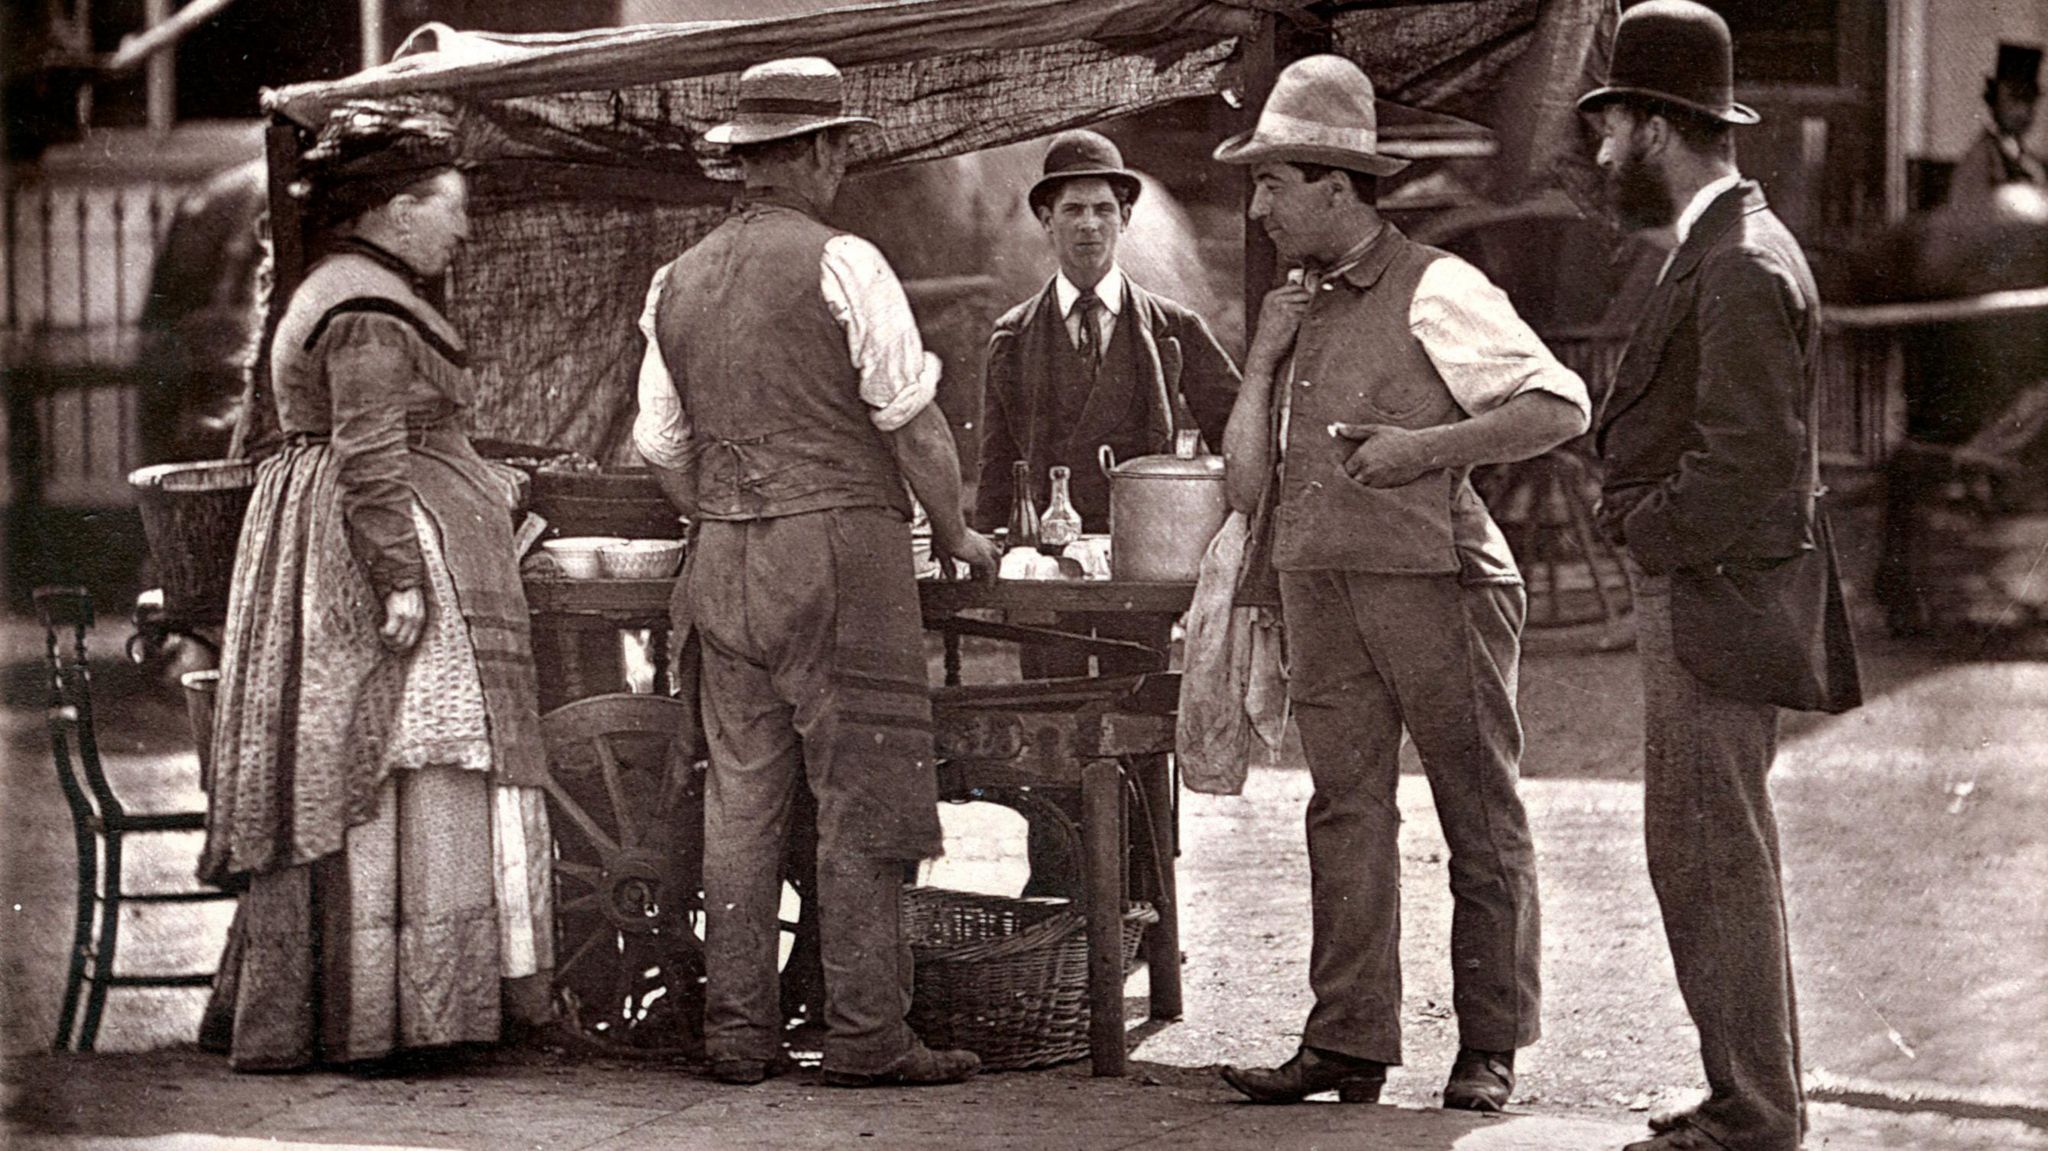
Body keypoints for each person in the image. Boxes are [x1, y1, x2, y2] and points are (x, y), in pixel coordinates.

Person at [1211, 55, 1589, 1111]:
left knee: (1477, 810)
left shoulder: (1440, 284)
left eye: (1271, 183)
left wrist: (1424, 448)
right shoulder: (1289, 306)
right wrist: (1259, 361)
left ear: (1335, 185)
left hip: (1437, 582)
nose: (1256, 206)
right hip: (1319, 583)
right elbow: (1246, 485)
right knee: (1342, 810)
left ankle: (1489, 1044)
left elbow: (1559, 407)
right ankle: (1345, 1039)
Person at [633, 56, 1000, 1089]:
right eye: (836, 145)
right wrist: (959, 531)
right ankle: (867, 1035)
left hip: (721, 561)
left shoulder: (677, 280)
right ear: (811, 153)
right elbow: (913, 424)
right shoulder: (846, 262)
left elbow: (660, 445)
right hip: (835, 561)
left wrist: (725, 507)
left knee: (739, 804)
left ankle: (736, 1036)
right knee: (861, 800)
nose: (842, 161)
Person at [198, 100, 556, 1071]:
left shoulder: (348, 284)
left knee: (383, 759)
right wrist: (400, 579)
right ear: (398, 208)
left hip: (339, 535)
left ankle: (388, 1007)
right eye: (448, 207)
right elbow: (368, 455)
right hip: (363, 551)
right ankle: (397, 1016)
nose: (462, 227)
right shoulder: (364, 304)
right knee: (403, 753)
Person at [1578, 4, 1863, 1148]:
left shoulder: (1737, 262)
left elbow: (1741, 467)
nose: (1598, 157)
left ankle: (1752, 1109)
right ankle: (1745, 1090)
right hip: (1715, 592)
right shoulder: (1727, 244)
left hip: (1709, 596)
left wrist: (1640, 527)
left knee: (1707, 850)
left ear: (1653, 127)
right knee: (1703, 847)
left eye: (1608, 131)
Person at [974, 128, 1240, 895]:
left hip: (1138, 573)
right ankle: (1058, 895)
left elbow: (1236, 431)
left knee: (1136, 722)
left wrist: (1213, 527)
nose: (1087, 225)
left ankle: (1143, 897)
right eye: (1071, 210)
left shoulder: (1172, 331)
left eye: (1102, 208)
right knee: (1051, 727)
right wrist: (994, 560)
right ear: (1046, 223)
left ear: (1124, 220)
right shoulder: (1012, 339)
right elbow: (994, 466)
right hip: (1048, 580)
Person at [1948, 41, 2044, 215]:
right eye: (2014, 99)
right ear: (1994, 103)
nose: (2023, 110)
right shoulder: (1979, 161)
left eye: (2029, 100)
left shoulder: (2031, 162)